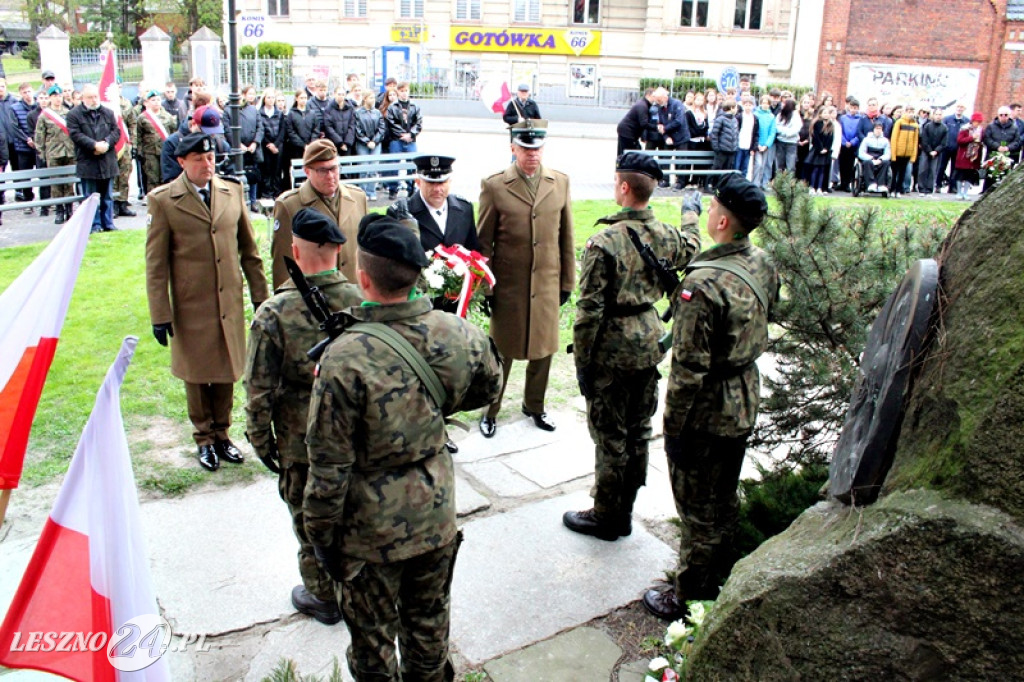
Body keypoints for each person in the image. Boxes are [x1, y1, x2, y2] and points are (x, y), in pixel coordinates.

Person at [303, 213, 503, 682]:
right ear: (417, 276)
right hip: (435, 515)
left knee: (372, 645)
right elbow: (488, 388)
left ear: (363, 277)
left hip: (369, 533)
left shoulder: (343, 357)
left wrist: (321, 539)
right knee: (429, 630)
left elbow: (328, 468)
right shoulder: (459, 334)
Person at [643, 173, 778, 621]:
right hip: (743, 398)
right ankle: (722, 571)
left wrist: (673, 426)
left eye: (714, 208)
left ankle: (689, 594)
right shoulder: (761, 262)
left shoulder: (701, 284)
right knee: (724, 496)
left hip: (706, 409)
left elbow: (688, 368)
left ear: (722, 220)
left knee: (696, 506)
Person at [563, 153, 702, 541]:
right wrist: (691, 212)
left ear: (623, 186)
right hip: (648, 341)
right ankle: (626, 504)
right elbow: (692, 244)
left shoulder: (604, 241)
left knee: (610, 434)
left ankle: (607, 515)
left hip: (611, 347)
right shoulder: (667, 235)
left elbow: (589, 311)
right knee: (639, 429)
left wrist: (583, 366)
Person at [245, 208, 363, 627]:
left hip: (301, 442)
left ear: (294, 250)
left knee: (310, 519)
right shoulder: (362, 301)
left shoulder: (274, 313)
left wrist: (263, 445)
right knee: (354, 510)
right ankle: (360, 587)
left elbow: (258, 391)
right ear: (336, 251)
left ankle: (323, 596)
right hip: (356, 435)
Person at [145, 132, 269, 471]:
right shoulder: (165, 200)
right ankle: (204, 438)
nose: (207, 164)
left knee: (228, 369)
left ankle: (223, 434)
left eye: (211, 158)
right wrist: (160, 313)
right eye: (199, 159)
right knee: (198, 373)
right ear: (182, 162)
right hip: (191, 305)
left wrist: (262, 299)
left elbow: (250, 252)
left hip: (228, 301)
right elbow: (156, 265)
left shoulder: (232, 193)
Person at [477, 120, 574, 437]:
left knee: (544, 350)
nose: (532, 155)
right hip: (509, 286)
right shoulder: (495, 186)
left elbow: (566, 238)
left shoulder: (559, 182)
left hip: (546, 282)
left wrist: (567, 283)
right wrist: (485, 288)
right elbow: (483, 244)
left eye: (537, 148)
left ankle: (535, 404)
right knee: (502, 351)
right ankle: (491, 409)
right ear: (513, 148)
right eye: (526, 148)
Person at [271, 138, 368, 288]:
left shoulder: (357, 197)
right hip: (315, 300)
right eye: (322, 170)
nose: (330, 176)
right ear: (307, 171)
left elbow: (366, 251)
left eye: (334, 168)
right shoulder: (289, 205)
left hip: (354, 295)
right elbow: (283, 265)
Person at [67, 83, 121, 232]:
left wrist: (106, 144)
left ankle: (108, 223)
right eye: (90, 97)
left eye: (96, 96)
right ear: (83, 98)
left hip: (107, 161)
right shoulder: (74, 115)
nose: (94, 100)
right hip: (88, 161)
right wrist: (93, 145)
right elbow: (75, 135)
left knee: (107, 196)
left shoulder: (108, 113)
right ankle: (94, 224)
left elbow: (116, 132)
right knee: (91, 198)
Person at [34, 84, 75, 224]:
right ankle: (59, 210)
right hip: (53, 153)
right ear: (50, 98)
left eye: (59, 96)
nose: (57, 99)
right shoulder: (45, 115)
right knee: (56, 184)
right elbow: (39, 137)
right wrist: (42, 154)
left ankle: (69, 209)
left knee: (69, 183)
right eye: (54, 96)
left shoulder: (68, 113)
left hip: (69, 152)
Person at [384, 82, 422, 199]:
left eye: (406, 91)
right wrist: (402, 134)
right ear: (398, 92)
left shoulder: (415, 107)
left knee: (413, 165)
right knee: (394, 165)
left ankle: (411, 188)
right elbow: (391, 123)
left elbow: (418, 123)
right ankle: (393, 189)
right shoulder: (392, 107)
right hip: (397, 140)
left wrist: (411, 134)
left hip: (411, 140)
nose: (404, 93)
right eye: (401, 91)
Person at [231, 85, 265, 211]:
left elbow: (260, 128)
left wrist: (255, 143)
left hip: (252, 149)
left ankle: (253, 201)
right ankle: (240, 202)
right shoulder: (230, 110)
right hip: (238, 149)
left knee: (253, 176)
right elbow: (228, 130)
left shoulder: (253, 110)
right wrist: (238, 144)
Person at [137, 89, 177, 193]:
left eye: (158, 100)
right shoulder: (142, 118)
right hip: (150, 153)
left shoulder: (168, 117)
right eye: (153, 100)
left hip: (165, 152)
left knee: (165, 177)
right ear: (147, 102)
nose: (156, 102)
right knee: (152, 178)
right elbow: (138, 135)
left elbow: (174, 133)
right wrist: (139, 151)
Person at [110, 81, 138, 218]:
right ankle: (114, 203)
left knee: (125, 174)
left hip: (125, 144)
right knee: (114, 175)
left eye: (119, 87)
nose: (117, 89)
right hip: (112, 146)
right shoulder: (107, 104)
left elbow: (132, 123)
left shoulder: (126, 104)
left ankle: (123, 202)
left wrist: (132, 141)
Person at [10, 82, 39, 210]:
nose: (27, 94)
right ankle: (28, 202)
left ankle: (47, 201)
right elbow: (14, 127)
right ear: (20, 94)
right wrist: (27, 139)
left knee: (44, 173)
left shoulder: (39, 106)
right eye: (24, 92)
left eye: (29, 91)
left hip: (39, 147)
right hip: (23, 147)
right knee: (25, 176)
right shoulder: (14, 108)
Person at [352, 91, 386, 200]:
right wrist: (366, 141)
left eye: (374, 97)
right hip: (362, 144)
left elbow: (381, 129)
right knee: (364, 168)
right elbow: (357, 129)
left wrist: (374, 141)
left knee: (373, 168)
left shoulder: (377, 113)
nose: (373, 100)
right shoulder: (358, 113)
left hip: (375, 144)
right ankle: (363, 192)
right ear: (365, 99)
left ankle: (371, 191)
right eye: (371, 97)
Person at [981, 106, 1022, 192]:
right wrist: (997, 146)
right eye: (1001, 115)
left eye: (1006, 115)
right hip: (993, 155)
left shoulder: (1014, 128)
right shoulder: (991, 126)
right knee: (990, 176)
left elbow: (1017, 141)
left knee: (1004, 176)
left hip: (1007, 156)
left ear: (1009, 115)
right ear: (998, 115)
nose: (1003, 117)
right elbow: (987, 139)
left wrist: (1008, 147)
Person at [284, 89, 321, 184]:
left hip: (310, 147)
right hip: (296, 148)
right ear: (296, 99)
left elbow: (316, 129)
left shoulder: (312, 113)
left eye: (305, 98)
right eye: (301, 98)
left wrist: (311, 144)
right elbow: (290, 132)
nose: (303, 100)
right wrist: (303, 145)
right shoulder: (291, 114)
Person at [259, 88, 286, 199]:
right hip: (266, 146)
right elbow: (260, 130)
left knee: (277, 171)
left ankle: (276, 193)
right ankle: (267, 193)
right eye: (268, 97)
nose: (271, 100)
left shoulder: (279, 113)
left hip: (277, 145)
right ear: (264, 99)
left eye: (272, 98)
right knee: (267, 170)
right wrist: (269, 144)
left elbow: (282, 130)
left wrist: (276, 144)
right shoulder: (259, 113)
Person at [889, 106, 919, 197]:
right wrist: (893, 154)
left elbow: (915, 141)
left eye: (912, 111)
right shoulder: (899, 122)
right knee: (894, 173)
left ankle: (898, 190)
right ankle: (892, 189)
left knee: (902, 173)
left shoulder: (915, 125)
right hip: (898, 152)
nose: (910, 113)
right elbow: (894, 138)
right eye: (909, 111)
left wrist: (913, 156)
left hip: (907, 154)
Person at [953, 112, 984, 200]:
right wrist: (971, 138)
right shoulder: (965, 129)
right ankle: (959, 192)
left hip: (974, 157)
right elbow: (959, 141)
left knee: (969, 176)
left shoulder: (981, 130)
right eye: (976, 121)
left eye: (979, 122)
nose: (977, 123)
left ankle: (965, 193)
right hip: (964, 156)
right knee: (960, 175)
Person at [917, 108, 948, 195]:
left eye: (940, 115)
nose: (938, 116)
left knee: (933, 171)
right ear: (933, 115)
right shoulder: (927, 126)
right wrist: (929, 151)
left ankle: (929, 189)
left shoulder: (944, 128)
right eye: (937, 114)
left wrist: (936, 151)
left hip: (937, 153)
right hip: (926, 151)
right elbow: (924, 140)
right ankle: (921, 189)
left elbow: (944, 143)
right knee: (923, 169)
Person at [709, 99, 738, 189]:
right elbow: (714, 134)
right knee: (717, 168)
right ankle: (710, 185)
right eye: (735, 107)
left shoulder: (735, 120)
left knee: (727, 170)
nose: (737, 109)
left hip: (731, 150)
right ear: (731, 108)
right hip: (722, 150)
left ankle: (722, 187)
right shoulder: (720, 119)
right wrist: (716, 148)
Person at [616, 87, 654, 157]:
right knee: (630, 153)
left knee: (627, 153)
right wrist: (656, 127)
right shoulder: (643, 106)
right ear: (648, 95)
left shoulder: (643, 104)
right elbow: (644, 123)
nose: (655, 99)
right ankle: (622, 166)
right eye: (653, 96)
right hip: (627, 132)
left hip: (627, 131)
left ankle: (622, 165)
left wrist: (643, 136)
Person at [940, 103, 969, 193]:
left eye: (962, 107)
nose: (959, 109)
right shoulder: (947, 119)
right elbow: (943, 132)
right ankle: (938, 185)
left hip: (959, 149)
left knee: (955, 168)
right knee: (941, 167)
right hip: (946, 147)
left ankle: (953, 187)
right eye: (958, 107)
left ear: (964, 109)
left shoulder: (967, 121)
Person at [808, 105, 836, 195]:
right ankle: (812, 187)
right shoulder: (817, 123)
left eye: (827, 113)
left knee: (822, 170)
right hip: (817, 150)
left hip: (826, 151)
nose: (826, 115)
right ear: (820, 114)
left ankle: (820, 187)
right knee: (815, 169)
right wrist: (820, 148)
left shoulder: (831, 125)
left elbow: (831, 138)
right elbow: (815, 137)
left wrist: (826, 148)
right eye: (824, 113)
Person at [837, 98, 864, 192]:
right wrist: (844, 141)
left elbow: (859, 132)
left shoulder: (861, 119)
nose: (853, 110)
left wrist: (852, 142)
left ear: (858, 108)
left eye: (855, 108)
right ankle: (842, 182)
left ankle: (847, 183)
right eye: (852, 107)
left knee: (850, 165)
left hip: (853, 146)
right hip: (843, 145)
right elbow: (840, 131)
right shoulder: (843, 118)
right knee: (842, 164)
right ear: (849, 107)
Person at [751, 94, 777, 188]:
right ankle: (754, 183)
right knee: (758, 164)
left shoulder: (771, 117)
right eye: (763, 103)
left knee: (763, 165)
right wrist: (757, 144)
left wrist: (766, 145)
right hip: (757, 144)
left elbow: (772, 132)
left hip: (766, 146)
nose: (765, 105)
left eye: (767, 103)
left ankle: (760, 184)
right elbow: (754, 131)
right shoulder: (755, 114)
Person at [857, 121, 892, 193]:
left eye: (880, 129)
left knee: (886, 162)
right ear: (873, 129)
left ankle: (881, 184)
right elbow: (861, 153)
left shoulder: (885, 141)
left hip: (880, 159)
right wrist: (871, 158)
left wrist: (881, 159)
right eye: (876, 128)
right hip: (869, 158)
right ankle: (871, 184)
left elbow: (888, 154)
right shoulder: (866, 140)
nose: (878, 130)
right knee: (867, 162)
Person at [324, 85, 356, 158]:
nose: (341, 96)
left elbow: (352, 125)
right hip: (333, 144)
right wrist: (340, 143)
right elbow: (329, 127)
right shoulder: (328, 109)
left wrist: (347, 142)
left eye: (343, 94)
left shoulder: (350, 108)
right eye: (339, 94)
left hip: (347, 143)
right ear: (334, 94)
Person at [774, 98, 801, 176]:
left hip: (791, 143)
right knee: (779, 164)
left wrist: (786, 133)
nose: (782, 105)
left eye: (784, 104)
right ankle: (779, 183)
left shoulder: (796, 116)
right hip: (781, 142)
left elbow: (796, 129)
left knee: (790, 165)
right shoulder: (780, 115)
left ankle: (789, 185)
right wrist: (785, 131)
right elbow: (777, 127)